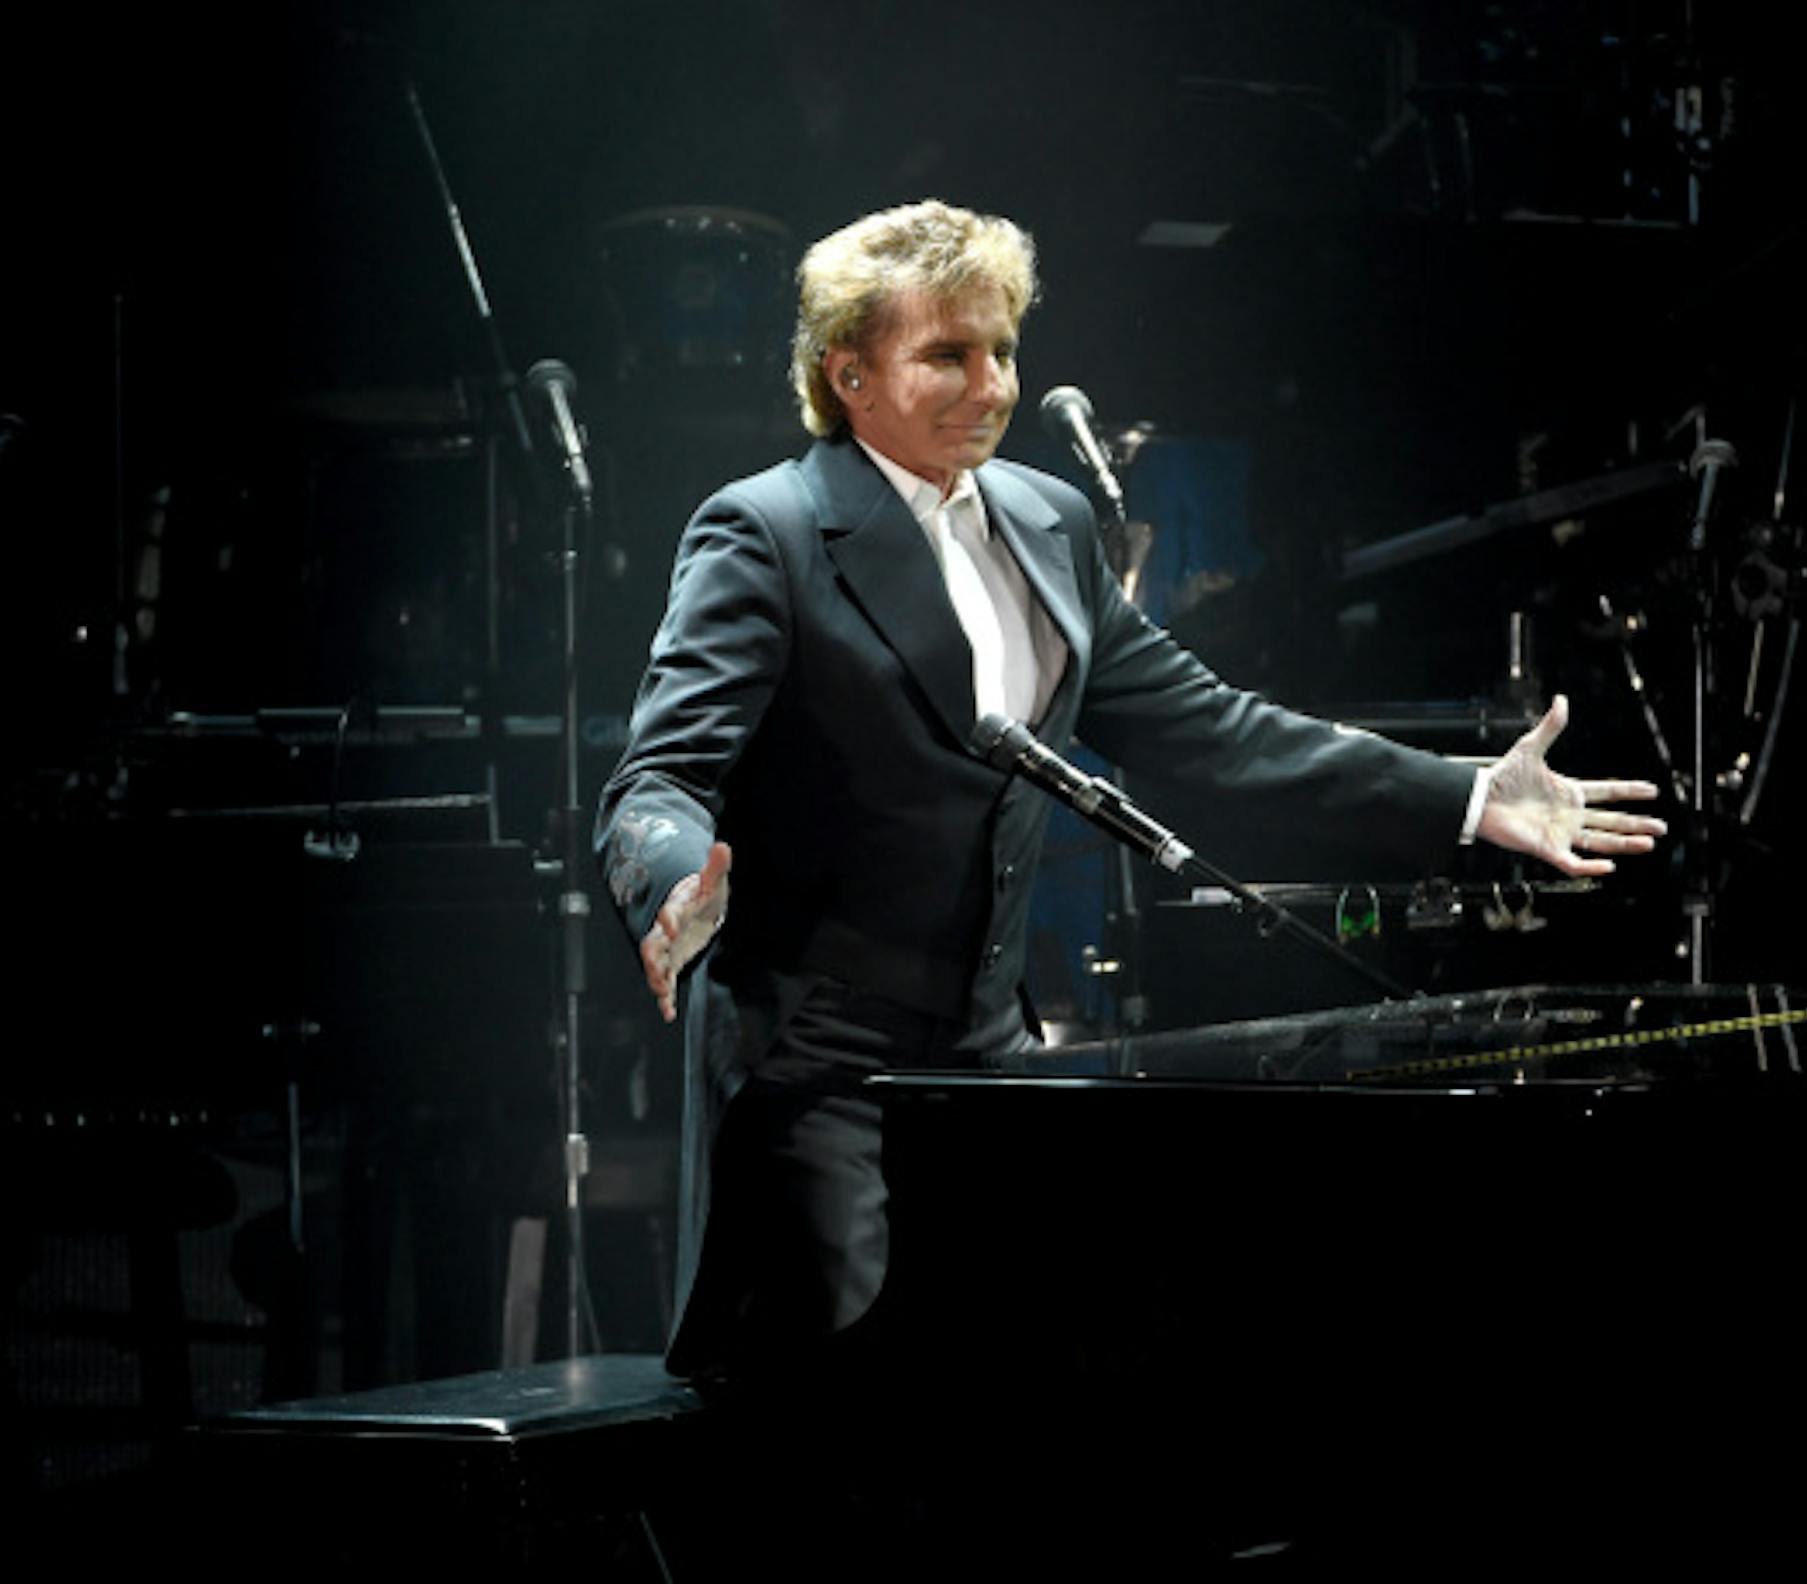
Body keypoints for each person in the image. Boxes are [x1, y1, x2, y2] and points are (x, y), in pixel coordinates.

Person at [594, 199, 1665, 1389]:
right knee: (858, 1398)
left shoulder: (1048, 525)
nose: (991, 383)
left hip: (992, 1060)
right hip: (817, 1064)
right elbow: (660, 775)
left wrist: (1465, 799)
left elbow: (1212, 729)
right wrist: (670, 886)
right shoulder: (768, 532)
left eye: (1002, 349)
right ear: (849, 373)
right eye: (947, 354)